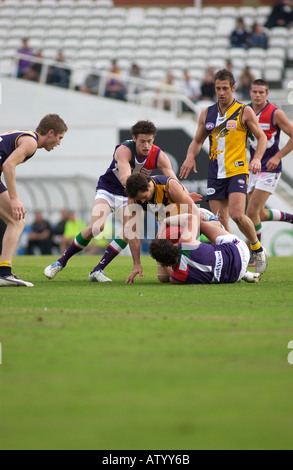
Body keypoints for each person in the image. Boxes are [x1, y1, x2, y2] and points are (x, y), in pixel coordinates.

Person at [44, 120, 181, 283]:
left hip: (130, 195)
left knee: (129, 231)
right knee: (97, 227)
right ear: (134, 138)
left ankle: (98, 270)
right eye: (142, 141)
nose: (146, 145)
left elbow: (173, 181)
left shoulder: (160, 156)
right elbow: (125, 179)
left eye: (149, 141)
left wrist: (183, 193)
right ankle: (60, 262)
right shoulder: (124, 150)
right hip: (109, 190)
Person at [179, 68, 268, 274]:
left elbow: (262, 137)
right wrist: (190, 157)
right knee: (220, 221)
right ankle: (237, 258)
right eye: (218, 88)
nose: (221, 92)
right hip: (215, 174)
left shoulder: (244, 111)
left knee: (237, 214)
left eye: (225, 88)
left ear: (233, 88)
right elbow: (197, 140)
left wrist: (256, 158)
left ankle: (257, 249)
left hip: (237, 171)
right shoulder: (206, 113)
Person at [0, 114, 68, 287]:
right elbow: (8, 165)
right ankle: (4, 273)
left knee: (15, 221)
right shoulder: (31, 143)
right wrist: (14, 199)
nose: (59, 143)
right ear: (51, 133)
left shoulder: (23, 135)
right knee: (17, 220)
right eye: (59, 138)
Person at [149, 212, 261, 285]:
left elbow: (169, 274)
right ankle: (216, 222)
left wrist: (160, 257)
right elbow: (193, 217)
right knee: (200, 224)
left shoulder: (176, 278)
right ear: (173, 244)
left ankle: (245, 273)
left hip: (234, 276)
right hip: (241, 251)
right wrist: (165, 221)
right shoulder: (186, 244)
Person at [246, 79, 293, 251]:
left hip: (270, 168)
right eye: (255, 92)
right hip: (253, 168)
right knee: (260, 214)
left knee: (251, 212)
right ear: (250, 93)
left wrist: (278, 157)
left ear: (267, 94)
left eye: (261, 92)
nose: (258, 95)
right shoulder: (246, 111)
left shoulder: (275, 113)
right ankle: (291, 218)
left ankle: (256, 251)